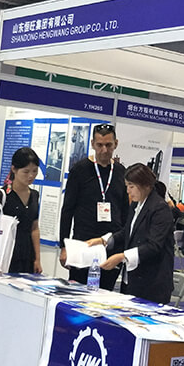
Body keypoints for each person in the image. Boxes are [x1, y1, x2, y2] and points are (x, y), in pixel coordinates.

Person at [86, 163, 175, 304]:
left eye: (131, 186)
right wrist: (103, 240)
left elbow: (154, 246)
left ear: (145, 185)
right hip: (133, 278)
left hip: (153, 283)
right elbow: (127, 232)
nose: (128, 191)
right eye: (127, 186)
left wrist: (122, 256)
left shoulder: (160, 209)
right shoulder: (136, 204)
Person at [59, 123, 128, 287]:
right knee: (78, 291)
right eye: (100, 145)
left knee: (106, 292)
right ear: (92, 144)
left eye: (108, 145)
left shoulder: (121, 172)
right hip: (84, 243)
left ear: (116, 144)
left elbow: (125, 211)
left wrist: (124, 245)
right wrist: (63, 246)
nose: (104, 150)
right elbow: (67, 210)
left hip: (111, 245)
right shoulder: (79, 170)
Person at [0, 147, 42, 274]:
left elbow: (34, 228)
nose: (31, 176)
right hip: (5, 255)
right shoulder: (0, 196)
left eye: (35, 171)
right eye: (26, 172)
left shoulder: (34, 195)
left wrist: (37, 259)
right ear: (14, 169)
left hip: (27, 256)